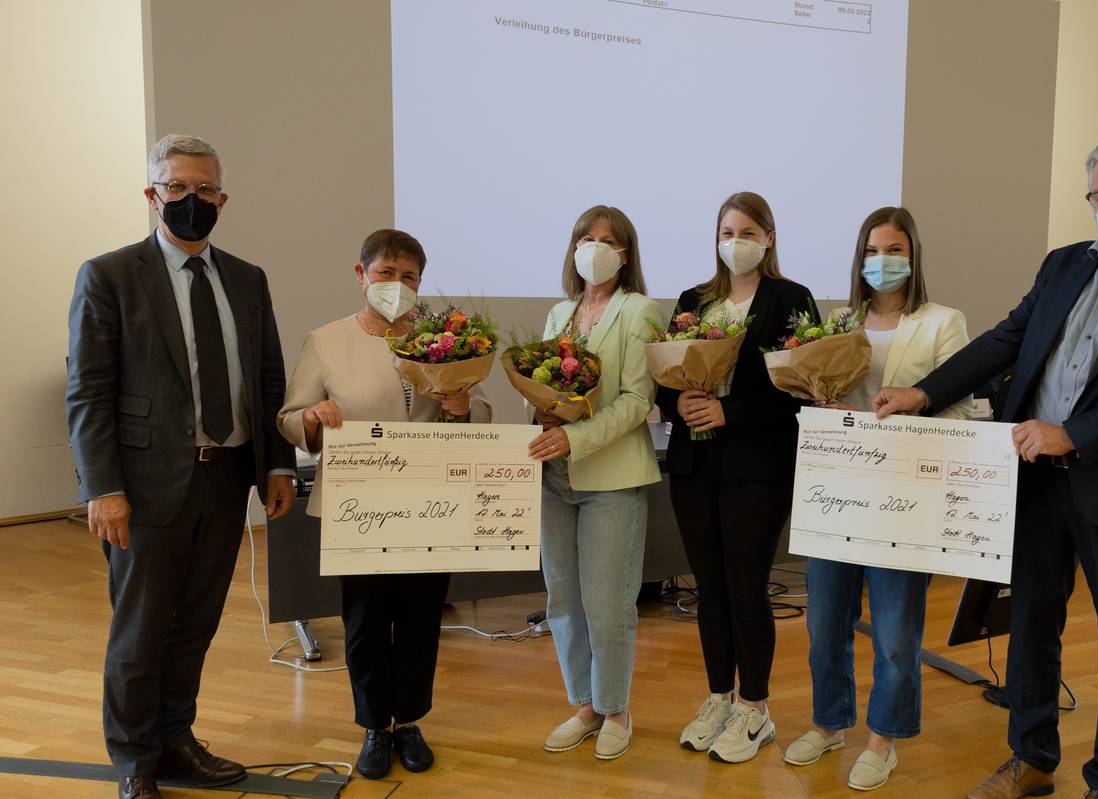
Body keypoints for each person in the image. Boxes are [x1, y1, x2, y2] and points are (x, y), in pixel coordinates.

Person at [875, 135, 1098, 799]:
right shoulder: (1064, 264)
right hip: (1035, 479)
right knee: (1030, 624)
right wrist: (923, 393)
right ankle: (1032, 758)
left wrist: (1071, 435)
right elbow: (1005, 340)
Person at [66, 134, 297, 799]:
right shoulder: (110, 275)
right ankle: (134, 761)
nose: (190, 199)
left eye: (204, 189)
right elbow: (88, 391)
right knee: (140, 632)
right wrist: (103, 487)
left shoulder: (248, 279)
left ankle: (175, 739)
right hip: (142, 488)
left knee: (195, 624)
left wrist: (277, 466)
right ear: (152, 194)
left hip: (226, 477)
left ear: (222, 199)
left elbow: (268, 381)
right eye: (176, 187)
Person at [276, 229, 491, 780]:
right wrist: (312, 418)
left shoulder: (444, 341)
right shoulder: (326, 340)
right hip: (359, 504)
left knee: (420, 616)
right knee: (366, 619)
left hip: (430, 503)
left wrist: (463, 407)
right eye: (386, 273)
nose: (397, 284)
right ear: (361, 275)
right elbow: (290, 416)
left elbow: (480, 416)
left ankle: (410, 720)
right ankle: (374, 724)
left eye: (409, 276)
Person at [784, 206, 972, 790]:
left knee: (894, 630)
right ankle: (829, 722)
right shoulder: (839, 321)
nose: (880, 260)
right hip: (837, 494)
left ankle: (882, 739)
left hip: (902, 499)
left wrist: (900, 417)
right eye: (871, 250)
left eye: (893, 250)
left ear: (913, 256)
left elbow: (961, 412)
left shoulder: (943, 322)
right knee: (824, 621)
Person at [656, 191, 818, 764]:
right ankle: (719, 696)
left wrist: (731, 411)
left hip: (758, 467)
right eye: (728, 232)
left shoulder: (791, 299)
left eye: (748, 233)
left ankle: (755, 707)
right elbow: (663, 379)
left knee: (747, 588)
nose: (736, 242)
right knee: (710, 588)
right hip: (694, 466)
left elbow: (803, 390)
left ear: (769, 238)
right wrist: (680, 405)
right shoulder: (692, 300)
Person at [529, 206, 665, 760]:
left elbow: (637, 402)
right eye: (586, 238)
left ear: (625, 254)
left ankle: (615, 709)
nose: (595, 248)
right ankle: (584, 705)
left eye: (607, 241)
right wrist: (541, 415)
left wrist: (575, 437)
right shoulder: (558, 314)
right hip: (553, 477)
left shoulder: (640, 311)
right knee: (562, 598)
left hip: (612, 477)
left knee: (607, 604)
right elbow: (540, 386)